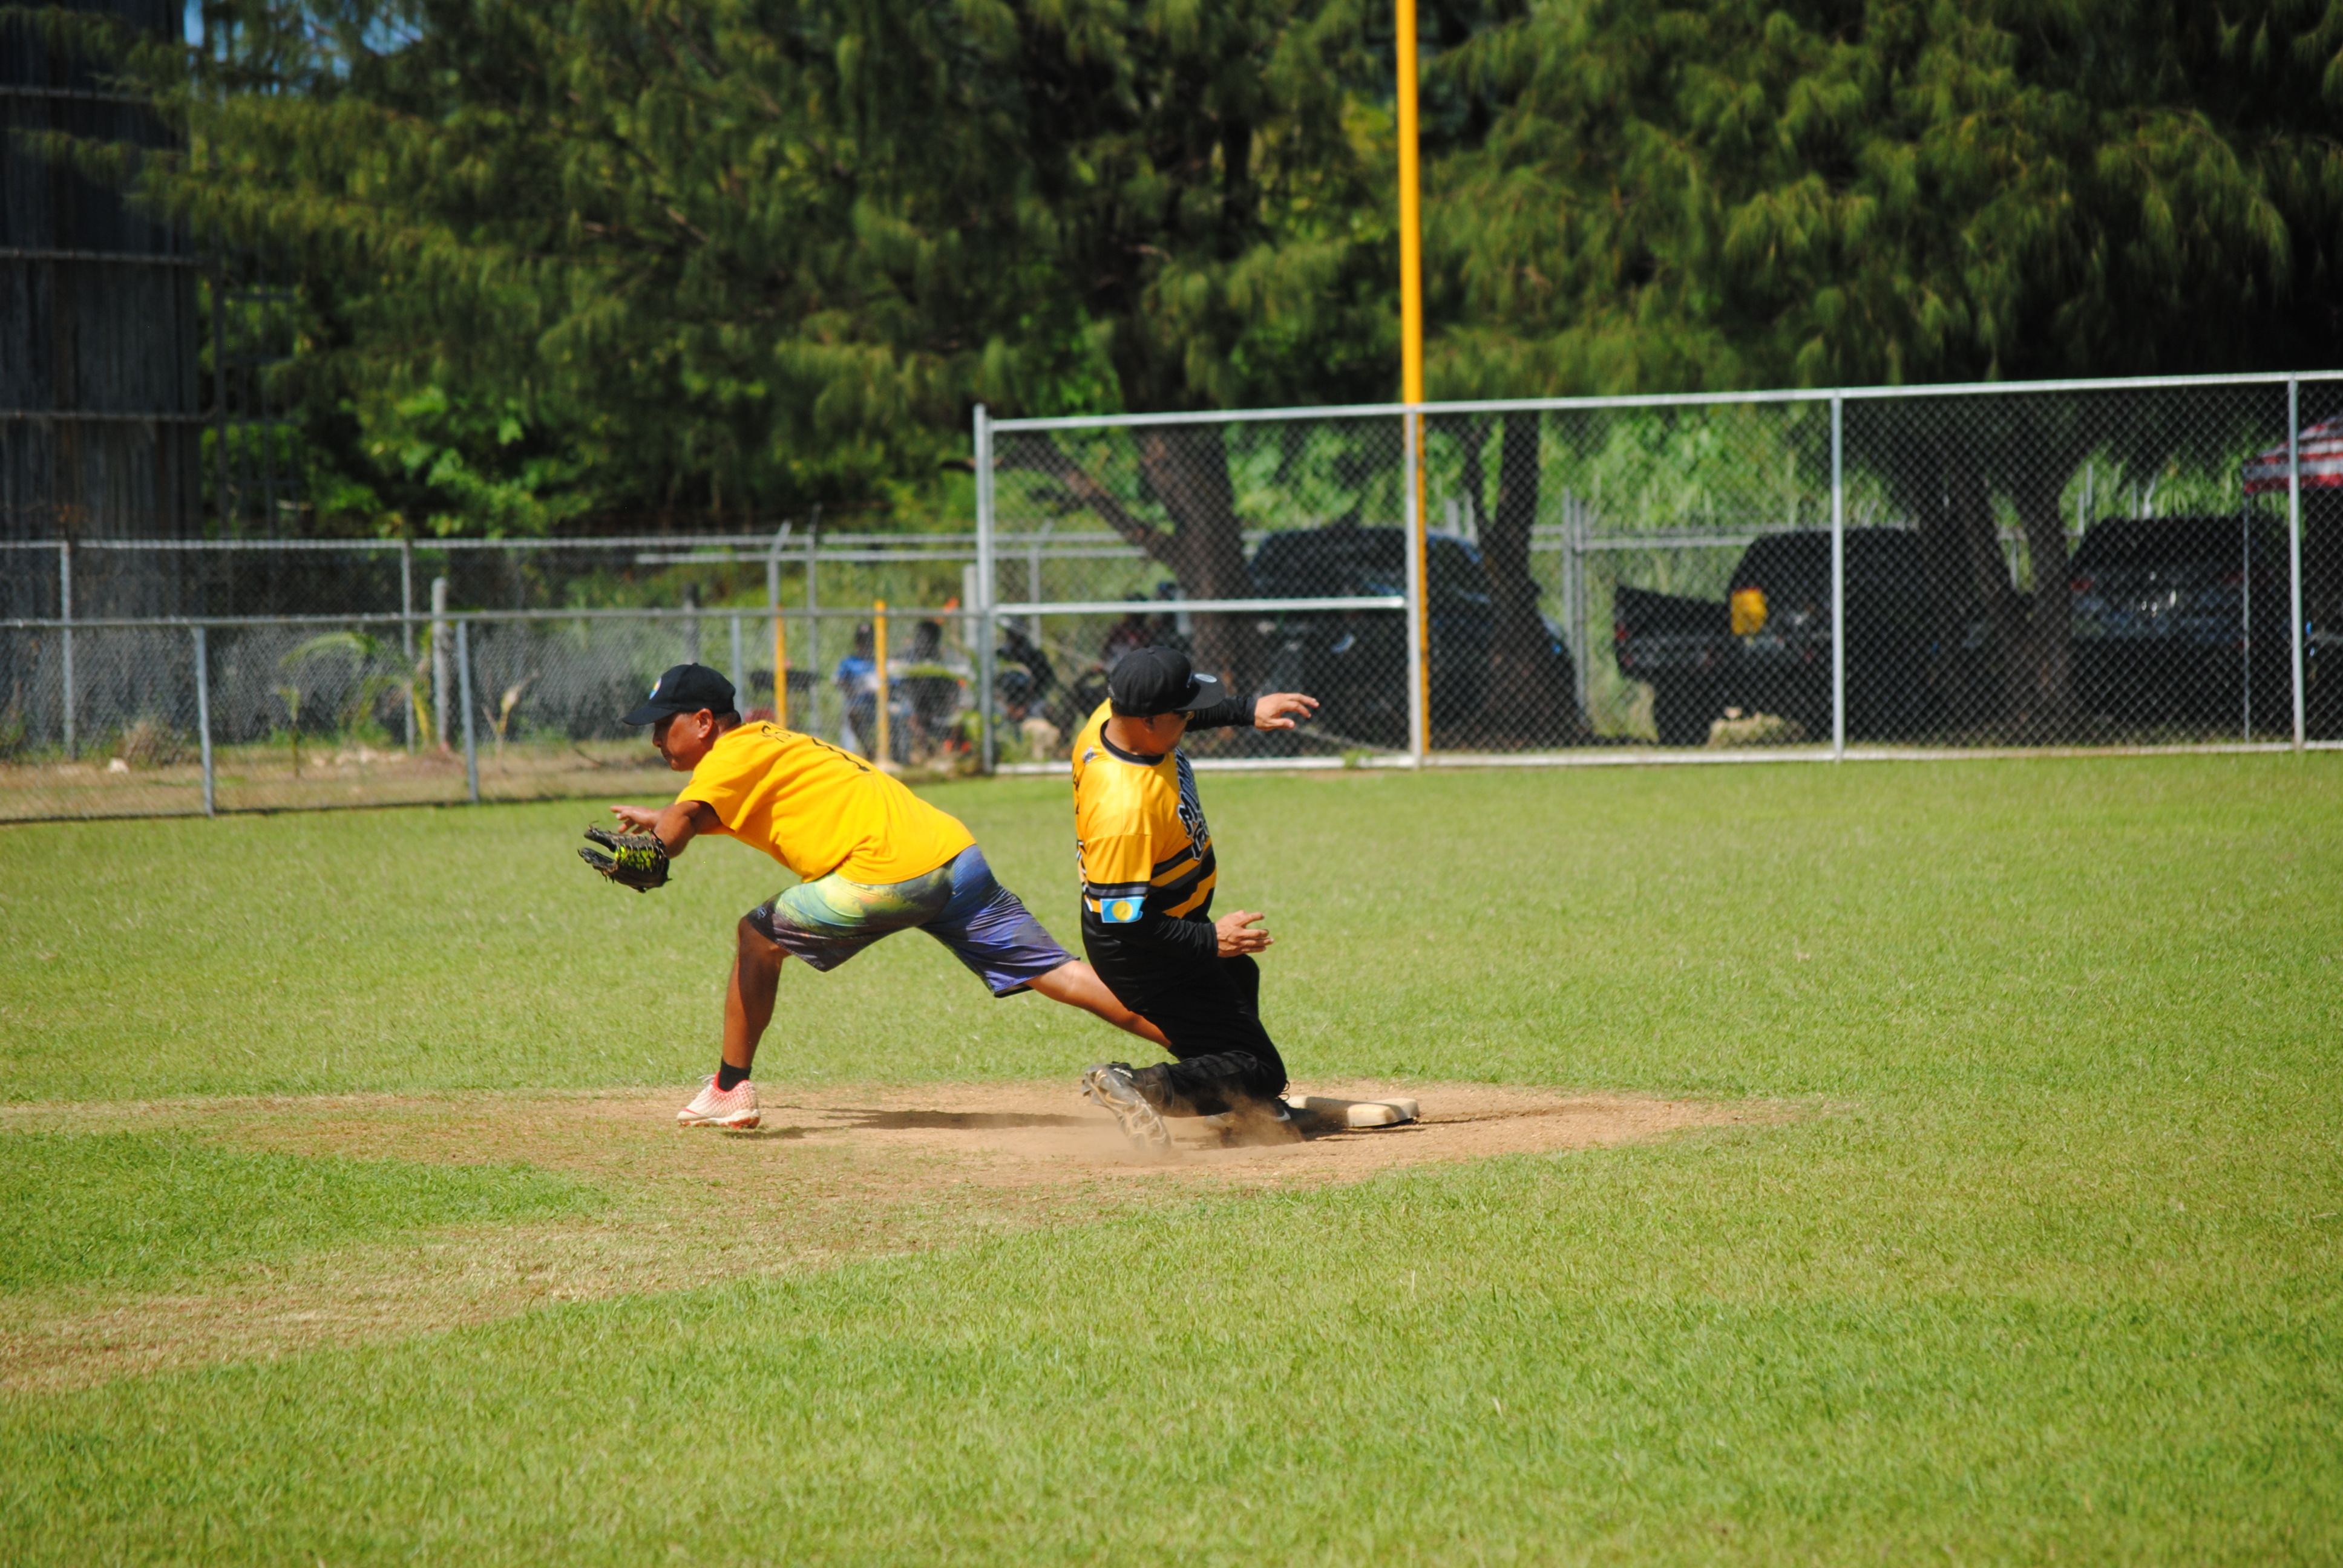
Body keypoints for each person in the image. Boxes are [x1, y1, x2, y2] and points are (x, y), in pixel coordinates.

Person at [581, 663, 1168, 1129]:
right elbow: (709, 812)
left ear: (704, 721)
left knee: (754, 938)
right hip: (952, 857)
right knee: (1061, 974)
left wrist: (660, 841)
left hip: (887, 877)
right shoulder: (768, 742)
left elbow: (686, 818)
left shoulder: (729, 755)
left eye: (664, 725)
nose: (657, 738)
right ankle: (1220, 1061)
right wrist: (665, 821)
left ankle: (730, 1090)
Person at [1067, 646, 1320, 1150]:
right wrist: (1209, 938)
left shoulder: (1113, 717)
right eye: (1183, 713)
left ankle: (1238, 1107)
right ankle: (1139, 1087)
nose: (1191, 718)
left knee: (1238, 975)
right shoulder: (1126, 808)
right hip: (1147, 953)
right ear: (1150, 721)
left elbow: (1175, 712)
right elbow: (1122, 922)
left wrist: (1246, 710)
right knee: (1260, 1070)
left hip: (1169, 924)